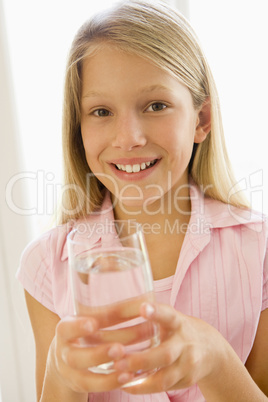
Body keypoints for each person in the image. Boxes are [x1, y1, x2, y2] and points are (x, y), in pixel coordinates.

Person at [17, 0, 268, 401]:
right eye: (101, 111)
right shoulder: (48, 266)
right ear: (78, 128)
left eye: (156, 106)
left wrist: (217, 358)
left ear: (201, 120)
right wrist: (61, 374)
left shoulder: (259, 249)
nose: (128, 138)